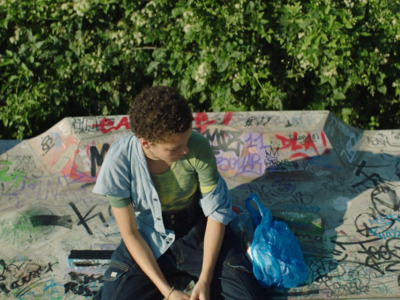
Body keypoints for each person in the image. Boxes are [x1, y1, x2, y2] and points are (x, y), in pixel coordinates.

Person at [92, 86, 268, 300]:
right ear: (146, 143)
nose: (185, 150)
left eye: (186, 141)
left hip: (198, 231)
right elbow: (130, 233)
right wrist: (168, 292)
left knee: (248, 295)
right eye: (174, 148)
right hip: (149, 236)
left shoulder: (197, 147)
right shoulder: (119, 161)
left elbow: (216, 213)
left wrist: (205, 279)